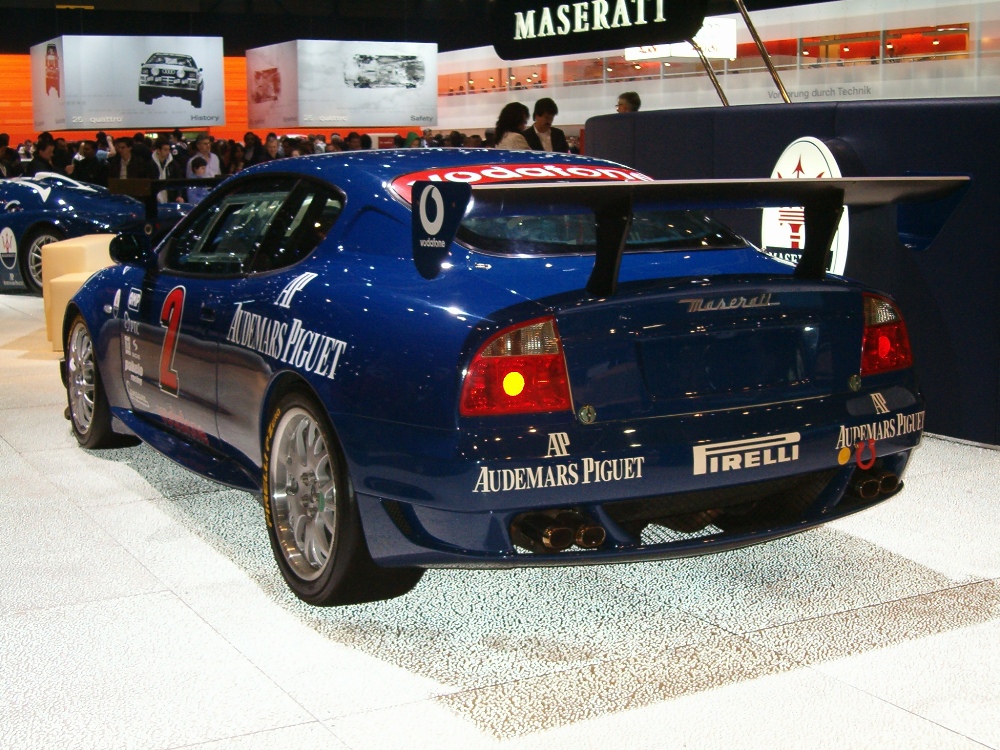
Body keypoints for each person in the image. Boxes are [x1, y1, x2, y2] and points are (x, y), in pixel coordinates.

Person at [151, 138, 182, 202]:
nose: (168, 152)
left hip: (170, 200)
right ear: (158, 150)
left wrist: (179, 195)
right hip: (154, 200)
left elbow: (178, 181)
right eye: (165, 150)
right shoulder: (150, 165)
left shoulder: (173, 164)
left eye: (169, 150)